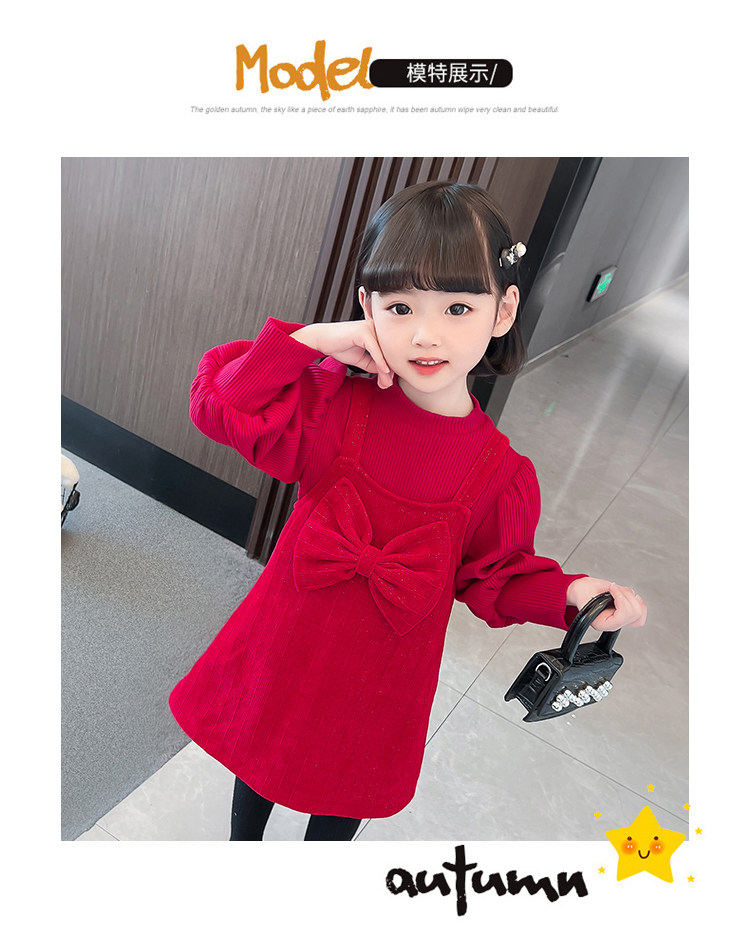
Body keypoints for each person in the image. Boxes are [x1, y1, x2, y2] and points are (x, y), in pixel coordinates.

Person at [169, 180, 647, 842]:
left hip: (384, 678)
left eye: (458, 306)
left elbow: (497, 578)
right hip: (288, 646)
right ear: (367, 307)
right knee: (261, 753)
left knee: (347, 784)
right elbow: (223, 405)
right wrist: (308, 342)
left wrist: (572, 593)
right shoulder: (331, 403)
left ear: (503, 310)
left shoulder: (501, 475)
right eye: (399, 306)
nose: (426, 334)